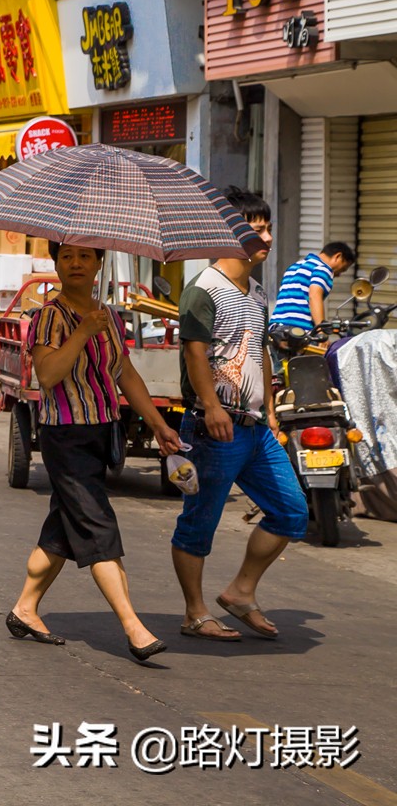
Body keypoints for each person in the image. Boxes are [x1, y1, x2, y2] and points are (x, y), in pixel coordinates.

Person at [6, 243, 182, 663]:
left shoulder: (108, 316)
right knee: (99, 529)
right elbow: (47, 374)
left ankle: (25, 609)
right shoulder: (49, 316)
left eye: (86, 256)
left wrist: (158, 425)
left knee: (62, 529)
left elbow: (124, 373)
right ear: (56, 264)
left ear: (100, 263)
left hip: (101, 433)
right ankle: (133, 628)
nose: (77, 264)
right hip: (65, 436)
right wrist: (83, 331)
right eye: (67, 256)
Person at [171, 187, 310, 642]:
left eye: (269, 227)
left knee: (290, 512)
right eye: (257, 228)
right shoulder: (202, 290)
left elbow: (261, 353)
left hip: (255, 429)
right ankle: (195, 612)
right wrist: (211, 406)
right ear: (228, 231)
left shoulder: (257, 291)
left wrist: (270, 408)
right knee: (200, 522)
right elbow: (195, 353)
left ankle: (240, 592)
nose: (268, 237)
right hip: (216, 427)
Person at [269, 240, 355, 352]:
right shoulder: (323, 268)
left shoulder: (294, 266)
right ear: (338, 256)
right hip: (299, 332)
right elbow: (314, 296)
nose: (338, 274)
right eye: (343, 269)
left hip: (276, 330)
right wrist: (321, 333)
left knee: (282, 368)